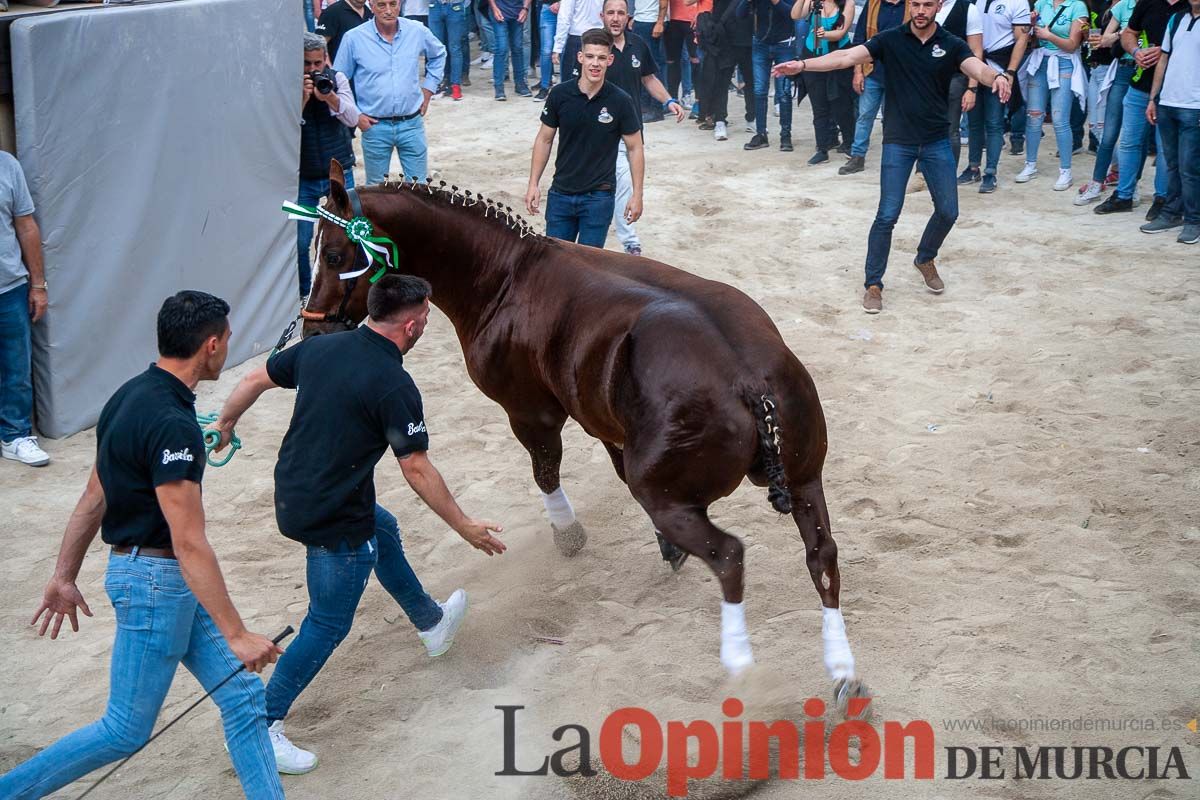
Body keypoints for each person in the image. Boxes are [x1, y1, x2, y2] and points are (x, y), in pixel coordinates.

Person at [215, 275, 504, 773]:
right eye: (427, 321)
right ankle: (260, 726)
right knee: (327, 622)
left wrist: (225, 423)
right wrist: (463, 526)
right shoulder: (394, 384)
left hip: (296, 491)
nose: (427, 327)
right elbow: (415, 467)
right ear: (410, 327)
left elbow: (252, 379)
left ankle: (431, 622)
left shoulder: (320, 348)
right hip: (331, 516)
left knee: (383, 526)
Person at [0, 292, 284, 799]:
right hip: (156, 582)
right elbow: (189, 542)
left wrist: (64, 575)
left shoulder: (127, 396)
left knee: (241, 696)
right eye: (228, 341)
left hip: (157, 578)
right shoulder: (174, 424)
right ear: (212, 345)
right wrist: (237, 633)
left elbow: (94, 496)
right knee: (125, 729)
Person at [774, 0, 1011, 313]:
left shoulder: (950, 44)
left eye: (928, 4)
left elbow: (975, 67)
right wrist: (803, 65)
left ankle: (925, 257)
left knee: (949, 211)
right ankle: (873, 284)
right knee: (887, 215)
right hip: (899, 141)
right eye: (916, 3)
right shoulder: (891, 39)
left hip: (937, 140)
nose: (921, 10)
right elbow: (845, 56)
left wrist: (997, 77)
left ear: (938, 6)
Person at [527, 27, 645, 247]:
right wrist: (533, 183)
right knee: (556, 265)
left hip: (598, 198)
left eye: (601, 58)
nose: (595, 63)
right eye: (590, 56)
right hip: (561, 194)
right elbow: (544, 139)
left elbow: (635, 147)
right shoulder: (559, 95)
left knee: (588, 271)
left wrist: (637, 194)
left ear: (610, 60)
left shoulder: (621, 101)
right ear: (580, 57)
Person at [601, 0, 686, 255]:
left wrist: (669, 100)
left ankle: (618, 238)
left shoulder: (638, 43)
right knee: (622, 182)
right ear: (602, 16)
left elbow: (648, 78)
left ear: (629, 16)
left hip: (633, 130)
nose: (615, 18)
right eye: (610, 13)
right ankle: (629, 242)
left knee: (620, 183)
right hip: (603, 130)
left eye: (620, 13)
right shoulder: (594, 46)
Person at [334, 0, 447, 183]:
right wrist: (356, 115)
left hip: (411, 122)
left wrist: (428, 90)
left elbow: (439, 54)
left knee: (418, 190)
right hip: (375, 125)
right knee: (376, 191)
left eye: (393, 4)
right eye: (381, 5)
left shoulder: (417, 31)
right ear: (371, 5)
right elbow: (339, 80)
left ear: (400, 4)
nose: (388, 11)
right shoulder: (354, 38)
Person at [1093, 0, 1185, 218]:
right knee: (1129, 142)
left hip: (1173, 89)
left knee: (1165, 148)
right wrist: (1136, 52)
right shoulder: (1148, 2)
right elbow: (1128, 33)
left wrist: (1165, 53)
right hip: (1140, 83)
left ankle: (1162, 199)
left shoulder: (1191, 7)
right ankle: (1124, 195)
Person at [297, 33, 360, 301]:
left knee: (353, 233)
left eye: (317, 63)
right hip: (304, 176)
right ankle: (305, 292)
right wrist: (301, 101)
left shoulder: (338, 79)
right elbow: (280, 130)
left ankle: (354, 287)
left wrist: (330, 98)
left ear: (326, 60)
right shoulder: (289, 85)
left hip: (339, 170)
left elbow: (353, 117)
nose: (313, 70)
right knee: (300, 243)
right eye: (307, 64)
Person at [0, 152, 49, 468]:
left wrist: (38, 284)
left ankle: (15, 436)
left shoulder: (7, 165)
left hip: (9, 288)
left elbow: (26, 225)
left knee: (16, 370)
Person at [1013, 0, 1089, 190]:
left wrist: (1049, 35)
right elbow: (1030, 39)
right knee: (1034, 116)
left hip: (1064, 62)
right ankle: (1030, 165)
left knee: (1060, 118)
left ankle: (1066, 171)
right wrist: (1029, 26)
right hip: (1040, 61)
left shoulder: (1077, 6)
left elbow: (1072, 44)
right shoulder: (1041, 3)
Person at [1142, 0, 1199, 243]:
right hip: (1168, 103)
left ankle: (1194, 220)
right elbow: (1163, 59)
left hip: (1194, 106)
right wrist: (1154, 98)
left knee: (1190, 168)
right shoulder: (1177, 19)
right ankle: (1171, 213)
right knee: (1172, 165)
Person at [962, 0, 1030, 192]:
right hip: (974, 65)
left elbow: (1022, 39)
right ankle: (973, 166)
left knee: (994, 123)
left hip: (998, 67)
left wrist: (1010, 71)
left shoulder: (1017, 3)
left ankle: (990, 172)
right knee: (973, 122)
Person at [1075, 0, 1137, 204]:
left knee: (1134, 137)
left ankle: (1130, 187)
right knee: (1108, 132)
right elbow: (1104, 40)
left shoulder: (1155, 5)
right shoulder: (1121, 7)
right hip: (1122, 69)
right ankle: (1096, 183)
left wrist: (1121, 35)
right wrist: (1125, 33)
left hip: (1146, 73)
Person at [839, 0, 909, 173]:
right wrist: (858, 72)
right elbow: (859, 39)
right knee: (864, 116)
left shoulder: (911, 6)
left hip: (899, 74)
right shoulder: (873, 5)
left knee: (892, 119)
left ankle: (892, 159)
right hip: (872, 70)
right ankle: (857, 157)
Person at [792, 0, 857, 163]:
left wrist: (825, 34)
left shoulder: (848, 3)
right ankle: (822, 148)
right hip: (813, 57)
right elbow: (795, 15)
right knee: (819, 106)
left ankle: (849, 144)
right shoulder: (813, 2)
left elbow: (841, 33)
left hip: (838, 58)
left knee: (842, 105)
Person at [739, 0, 800, 151]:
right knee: (759, 90)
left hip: (785, 44)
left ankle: (786, 136)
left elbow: (793, 14)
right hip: (760, 44)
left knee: (784, 92)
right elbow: (739, 14)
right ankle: (761, 134)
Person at [698, 0, 758, 138]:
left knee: (751, 82)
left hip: (747, 37)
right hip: (724, 37)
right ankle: (720, 120)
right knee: (721, 82)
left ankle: (752, 118)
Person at [934, 0, 983, 170]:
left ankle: (947, 173)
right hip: (924, 76)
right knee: (923, 126)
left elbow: (976, 51)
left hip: (955, 77)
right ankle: (924, 171)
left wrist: (972, 87)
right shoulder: (922, 5)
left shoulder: (968, 9)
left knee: (951, 128)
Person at [631, 0, 670, 119]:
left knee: (653, 65)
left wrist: (660, 22)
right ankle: (645, 106)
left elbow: (664, 3)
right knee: (641, 64)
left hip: (651, 22)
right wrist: (635, 17)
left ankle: (657, 108)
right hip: (641, 20)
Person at [491, 0, 535, 97]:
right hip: (500, 10)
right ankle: (499, 86)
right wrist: (494, 8)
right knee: (501, 48)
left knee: (517, 48)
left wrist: (525, 8)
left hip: (518, 11)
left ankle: (520, 84)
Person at [554, 0, 605, 81]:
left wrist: (558, 47)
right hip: (598, 36)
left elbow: (564, 17)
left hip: (577, 38)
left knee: (570, 83)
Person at [429, 0, 468, 99]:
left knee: (455, 48)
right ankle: (439, 83)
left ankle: (455, 85)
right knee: (437, 49)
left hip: (455, 5)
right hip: (435, 5)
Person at [537, 0, 561, 98]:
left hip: (569, 8)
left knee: (565, 51)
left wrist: (562, 3)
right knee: (546, 51)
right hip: (547, 7)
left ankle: (564, 86)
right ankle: (544, 86)